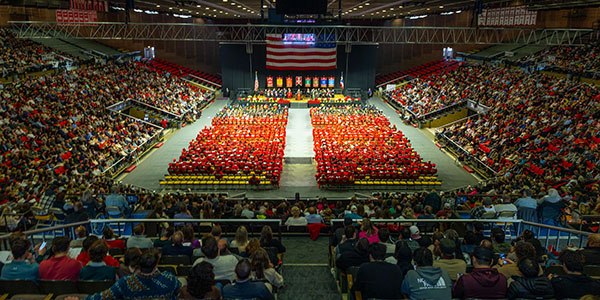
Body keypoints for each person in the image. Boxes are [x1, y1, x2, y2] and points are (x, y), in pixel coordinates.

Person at [85, 249, 181, 300]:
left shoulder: (126, 282)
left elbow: (103, 297)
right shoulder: (169, 279)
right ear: (156, 264)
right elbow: (178, 291)